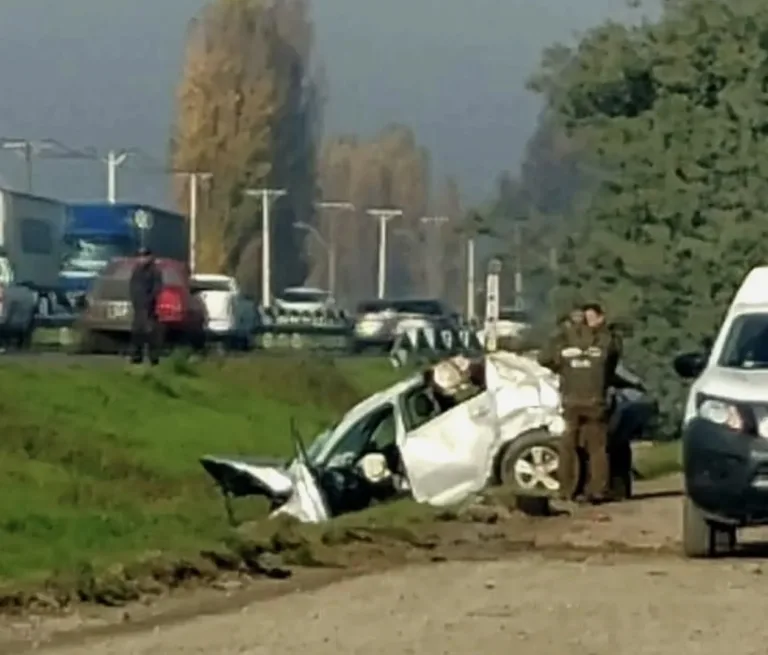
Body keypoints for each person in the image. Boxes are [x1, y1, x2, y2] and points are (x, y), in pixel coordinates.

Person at [538, 302, 621, 504]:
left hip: (571, 400)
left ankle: (567, 490)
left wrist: (564, 367)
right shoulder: (605, 340)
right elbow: (613, 359)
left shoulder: (563, 341)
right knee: (597, 447)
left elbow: (543, 358)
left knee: (568, 446)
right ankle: (598, 490)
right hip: (596, 400)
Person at [129, 247, 163, 365]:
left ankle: (154, 358)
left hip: (149, 307)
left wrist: (149, 300)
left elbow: (157, 288)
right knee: (137, 333)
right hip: (138, 306)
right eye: (140, 256)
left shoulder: (154, 271)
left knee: (151, 333)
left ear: (150, 257)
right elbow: (132, 286)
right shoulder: (136, 271)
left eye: (144, 256)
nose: (142, 259)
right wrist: (134, 300)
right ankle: (136, 357)